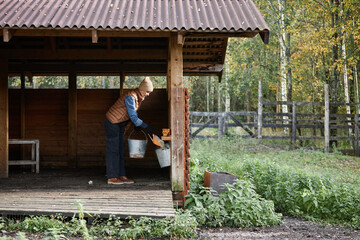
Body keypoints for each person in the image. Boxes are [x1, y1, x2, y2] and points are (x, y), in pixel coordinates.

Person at [104, 77, 154, 185]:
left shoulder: (138, 97)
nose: (148, 94)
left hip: (120, 124)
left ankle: (121, 175)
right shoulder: (131, 97)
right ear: (142, 89)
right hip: (112, 122)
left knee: (120, 149)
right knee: (113, 150)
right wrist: (146, 127)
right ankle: (112, 177)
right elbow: (133, 116)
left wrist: (136, 125)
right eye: (148, 91)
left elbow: (131, 116)